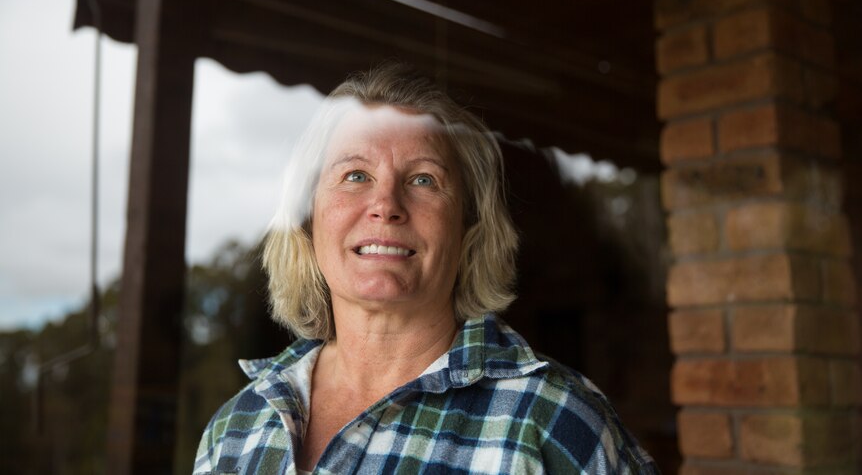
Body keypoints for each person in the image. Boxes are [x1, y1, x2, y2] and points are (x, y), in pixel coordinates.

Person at [194, 63, 658, 474]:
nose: (386, 205)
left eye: (423, 179)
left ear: (468, 227)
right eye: (356, 175)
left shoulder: (557, 425)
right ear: (309, 218)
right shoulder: (237, 428)